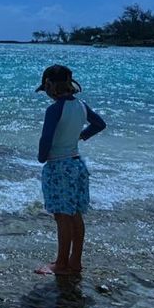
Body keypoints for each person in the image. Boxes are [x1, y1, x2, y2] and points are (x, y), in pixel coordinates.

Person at [34, 64, 106, 276]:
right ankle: (75, 261)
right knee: (75, 214)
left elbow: (46, 137)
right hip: (77, 164)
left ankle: (61, 263)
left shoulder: (54, 109)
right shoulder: (81, 105)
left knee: (61, 216)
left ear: (49, 85)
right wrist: (81, 135)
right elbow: (100, 124)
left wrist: (42, 157)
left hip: (59, 166)